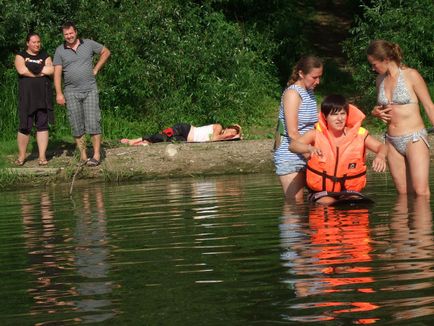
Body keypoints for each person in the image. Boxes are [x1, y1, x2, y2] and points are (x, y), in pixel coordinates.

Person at [289, 94, 387, 205]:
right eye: (334, 114)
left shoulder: (359, 134)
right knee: (328, 203)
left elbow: (382, 147)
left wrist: (381, 156)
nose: (340, 119)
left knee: (355, 203)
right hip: (322, 192)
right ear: (325, 117)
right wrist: (309, 148)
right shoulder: (315, 134)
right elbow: (293, 145)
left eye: (342, 113)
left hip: (349, 191)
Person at [367, 40, 434, 196]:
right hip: (391, 141)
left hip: (414, 138)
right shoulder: (380, 80)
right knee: (403, 194)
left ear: (386, 59)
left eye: (374, 64)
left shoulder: (411, 75)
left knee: (421, 192)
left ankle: (422, 220)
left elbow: (429, 106)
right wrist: (375, 112)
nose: (373, 68)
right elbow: (385, 109)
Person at [53, 21, 111, 167]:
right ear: (63, 35)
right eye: (66, 34)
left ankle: (96, 155)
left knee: (93, 122)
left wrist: (96, 68)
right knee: (76, 124)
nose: (69, 36)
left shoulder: (89, 44)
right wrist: (59, 93)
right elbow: (57, 73)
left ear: (76, 32)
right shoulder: (60, 50)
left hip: (90, 89)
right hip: (71, 92)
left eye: (71, 33)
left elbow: (106, 52)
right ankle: (83, 156)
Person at [273, 55, 323, 201]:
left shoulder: (310, 92)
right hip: (289, 154)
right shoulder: (292, 94)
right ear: (301, 74)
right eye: (314, 77)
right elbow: (293, 132)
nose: (318, 81)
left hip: (307, 150)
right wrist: (309, 153)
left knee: (312, 203)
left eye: (320, 77)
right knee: (295, 205)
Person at [14, 32, 54, 166]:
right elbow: (22, 70)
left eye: (38, 42)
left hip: (43, 96)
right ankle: (21, 156)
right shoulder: (21, 55)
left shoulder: (45, 55)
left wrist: (31, 67)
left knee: (42, 126)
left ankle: (42, 157)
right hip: (27, 97)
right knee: (25, 126)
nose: (37, 44)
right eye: (34, 42)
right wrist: (41, 72)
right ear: (27, 43)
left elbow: (51, 70)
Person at [120, 123, 242, 146]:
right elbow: (215, 138)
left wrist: (236, 137)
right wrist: (232, 135)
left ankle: (145, 142)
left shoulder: (222, 140)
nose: (230, 134)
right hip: (185, 129)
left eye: (233, 134)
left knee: (166, 142)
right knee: (163, 135)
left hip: (186, 140)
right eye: (231, 131)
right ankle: (135, 139)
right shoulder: (218, 127)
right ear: (226, 128)